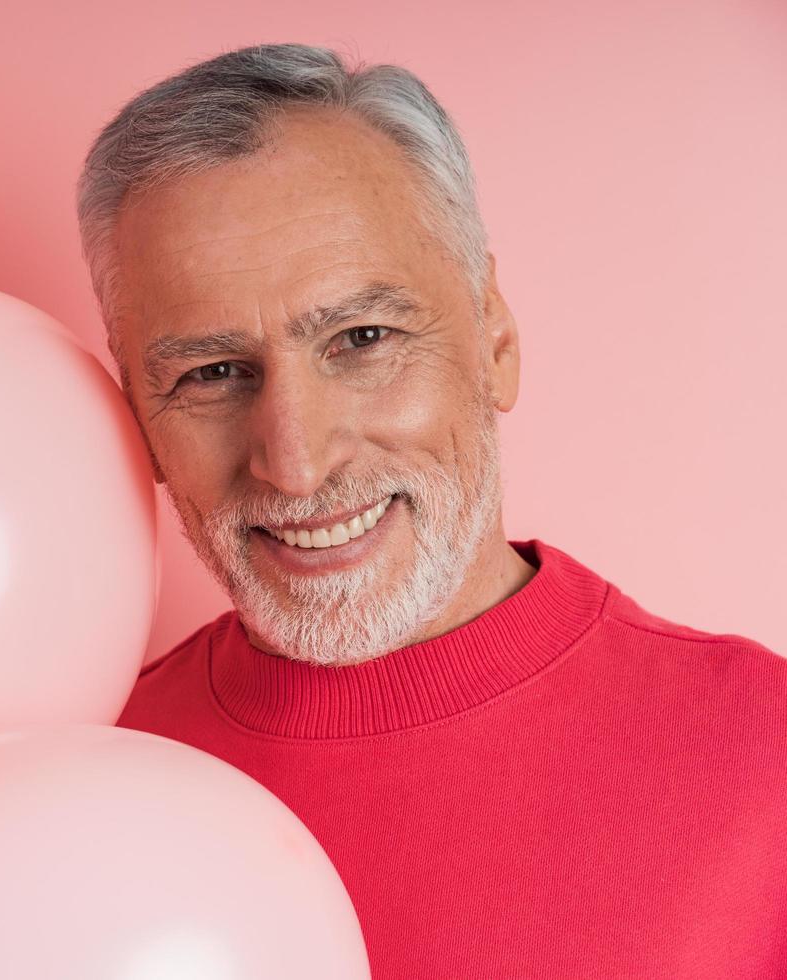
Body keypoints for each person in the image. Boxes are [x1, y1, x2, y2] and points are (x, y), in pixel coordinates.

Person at [76, 42, 785, 979]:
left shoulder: (762, 758)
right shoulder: (84, 777)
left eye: (362, 338)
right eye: (211, 374)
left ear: (494, 337)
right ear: (135, 410)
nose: (294, 463)